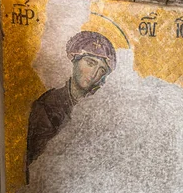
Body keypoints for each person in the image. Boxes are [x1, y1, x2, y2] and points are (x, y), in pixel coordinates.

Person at [25, 31, 116, 182]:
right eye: (90, 63)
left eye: (101, 70)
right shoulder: (49, 104)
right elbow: (38, 160)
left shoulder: (99, 108)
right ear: (75, 60)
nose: (94, 74)